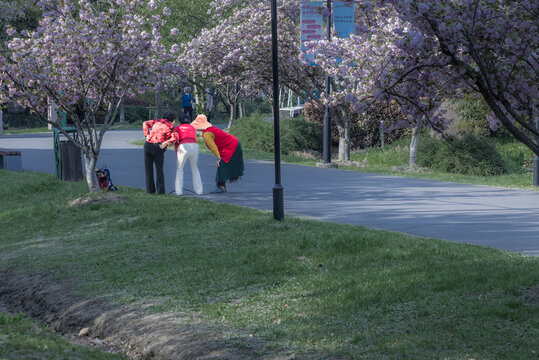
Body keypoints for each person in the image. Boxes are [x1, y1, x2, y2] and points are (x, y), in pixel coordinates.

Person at [191, 114, 244, 193]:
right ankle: (221, 186)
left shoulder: (207, 134)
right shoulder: (209, 130)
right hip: (232, 144)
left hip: (232, 145)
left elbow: (213, 148)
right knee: (222, 164)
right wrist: (219, 157)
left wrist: (219, 158)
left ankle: (220, 187)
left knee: (221, 164)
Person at [161, 114, 203, 196]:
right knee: (195, 169)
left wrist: (177, 151)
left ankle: (179, 191)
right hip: (194, 146)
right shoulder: (192, 128)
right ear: (189, 121)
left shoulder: (177, 128)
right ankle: (199, 191)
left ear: (180, 122)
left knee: (180, 170)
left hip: (184, 146)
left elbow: (176, 140)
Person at [142, 110, 176, 194]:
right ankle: (160, 191)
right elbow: (175, 137)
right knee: (159, 170)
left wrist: (147, 135)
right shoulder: (171, 126)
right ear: (173, 119)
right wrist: (166, 143)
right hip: (158, 146)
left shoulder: (156, 121)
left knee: (148, 169)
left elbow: (145, 123)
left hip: (148, 145)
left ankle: (150, 191)